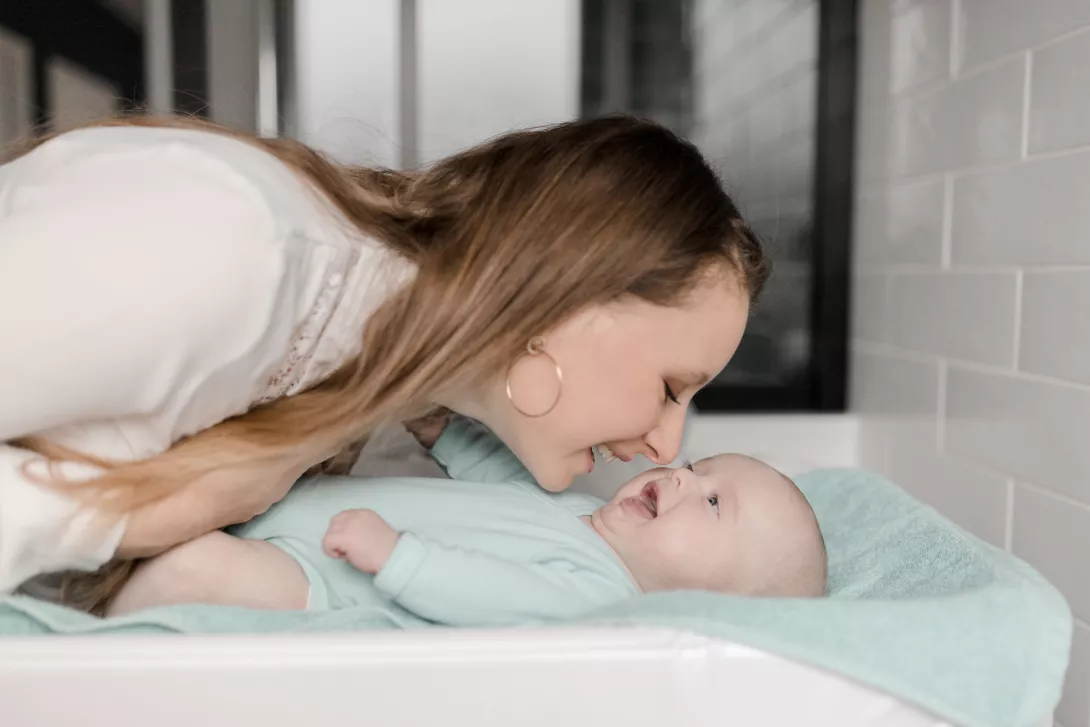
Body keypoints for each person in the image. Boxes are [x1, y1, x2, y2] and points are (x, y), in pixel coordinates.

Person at [0, 113, 768, 609]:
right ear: (570, 294)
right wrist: (135, 518)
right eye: (671, 387)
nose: (668, 448)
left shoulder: (377, 399)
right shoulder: (234, 248)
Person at [106, 416, 826, 621]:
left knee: (193, 567)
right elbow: (502, 489)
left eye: (710, 500)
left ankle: (87, 643)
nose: (679, 474)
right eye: (701, 470)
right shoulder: (584, 516)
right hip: (305, 516)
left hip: (323, 579)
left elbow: (493, 591)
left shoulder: (596, 593)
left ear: (707, 598)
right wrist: (443, 433)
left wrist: (399, 558)